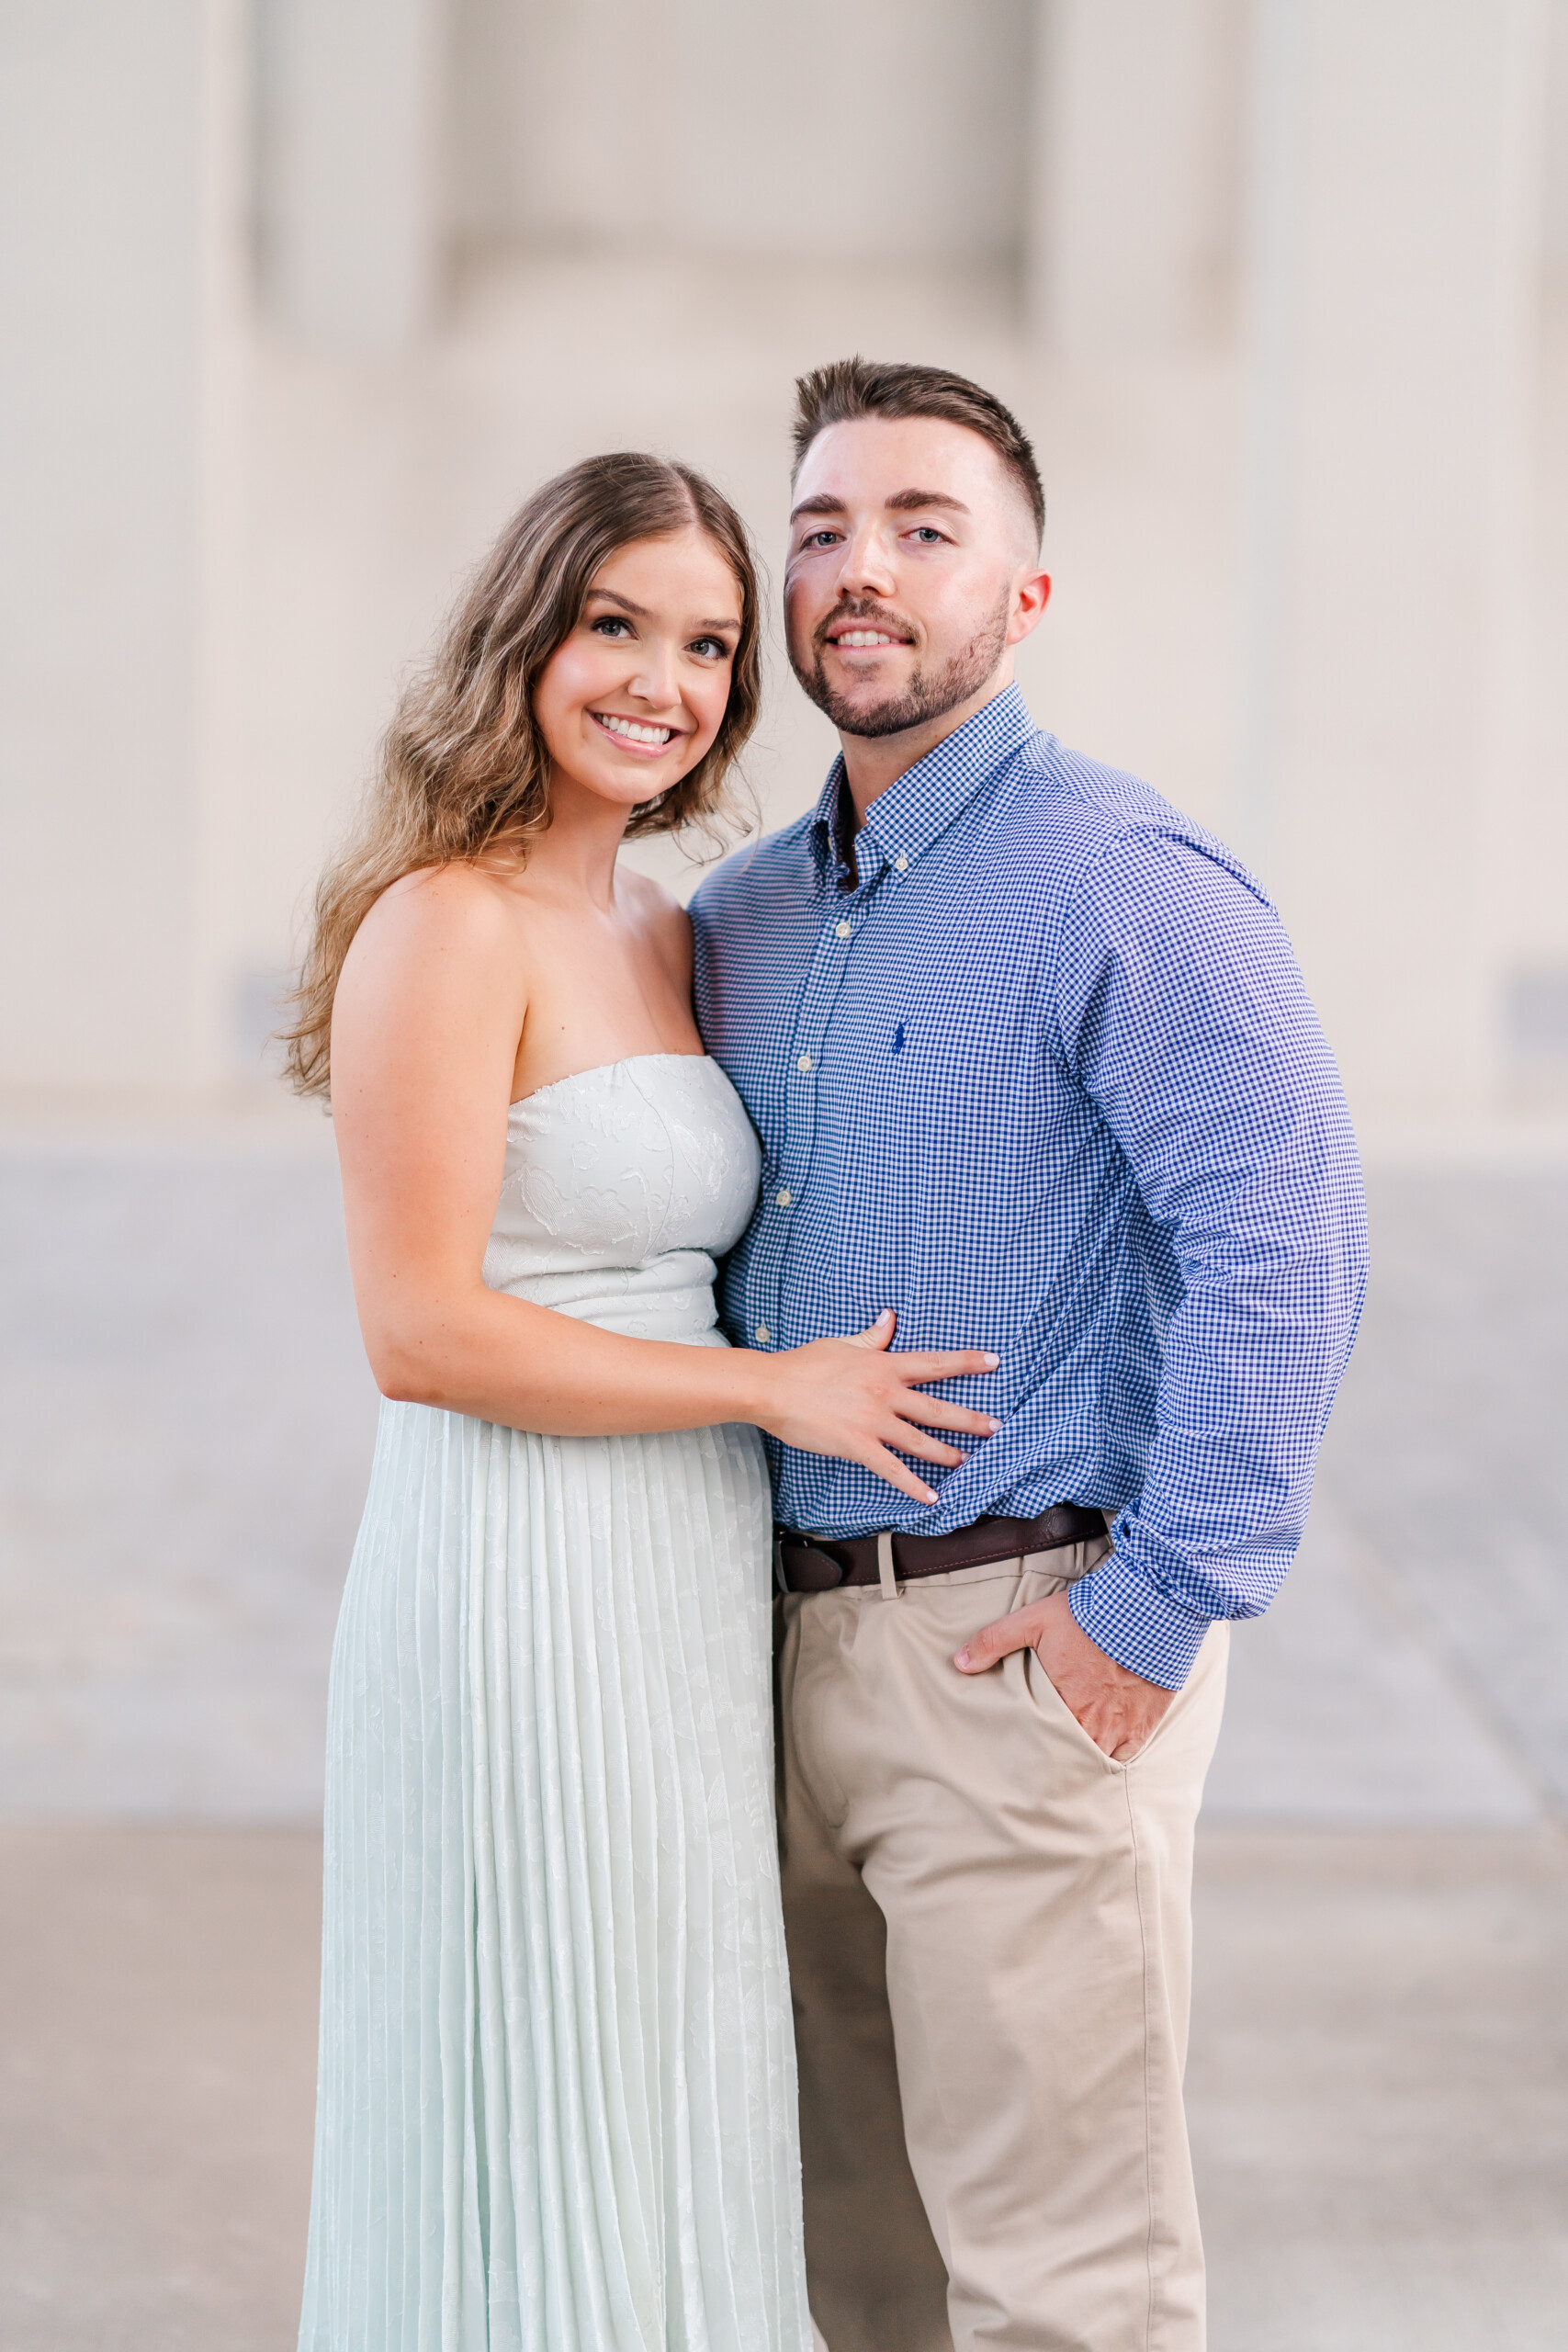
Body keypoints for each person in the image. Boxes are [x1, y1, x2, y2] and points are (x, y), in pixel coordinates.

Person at [282, 450, 998, 2352]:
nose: (656, 681)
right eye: (612, 625)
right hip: (513, 1573)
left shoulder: (670, 929)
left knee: (671, 2055)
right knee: (533, 2066)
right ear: (524, 634)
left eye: (700, 644)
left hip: (681, 1580)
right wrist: (775, 1388)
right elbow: (419, 1327)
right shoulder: (441, 924)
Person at [691, 361, 1369, 2352]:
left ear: (1026, 592)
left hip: (1014, 1651)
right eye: (820, 528)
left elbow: (1284, 1243)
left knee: (1061, 2294)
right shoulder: (736, 918)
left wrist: (1145, 1615)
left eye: (922, 526)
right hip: (768, 1668)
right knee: (858, 2277)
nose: (859, 572)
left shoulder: (1116, 877)